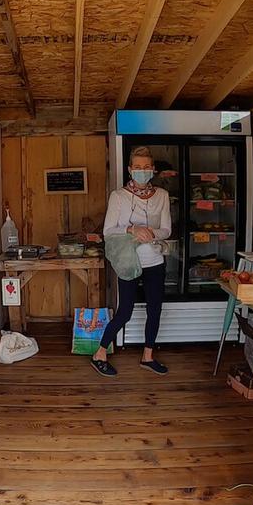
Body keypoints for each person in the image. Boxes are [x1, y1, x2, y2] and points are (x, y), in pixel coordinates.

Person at [91, 146, 171, 377]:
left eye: (146, 167)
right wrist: (131, 229)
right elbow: (108, 231)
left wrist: (151, 233)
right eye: (137, 167)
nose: (142, 171)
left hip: (154, 260)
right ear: (129, 169)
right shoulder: (118, 196)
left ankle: (148, 356)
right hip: (127, 261)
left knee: (155, 310)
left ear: (153, 169)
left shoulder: (162, 196)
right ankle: (100, 353)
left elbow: (166, 229)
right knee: (125, 310)